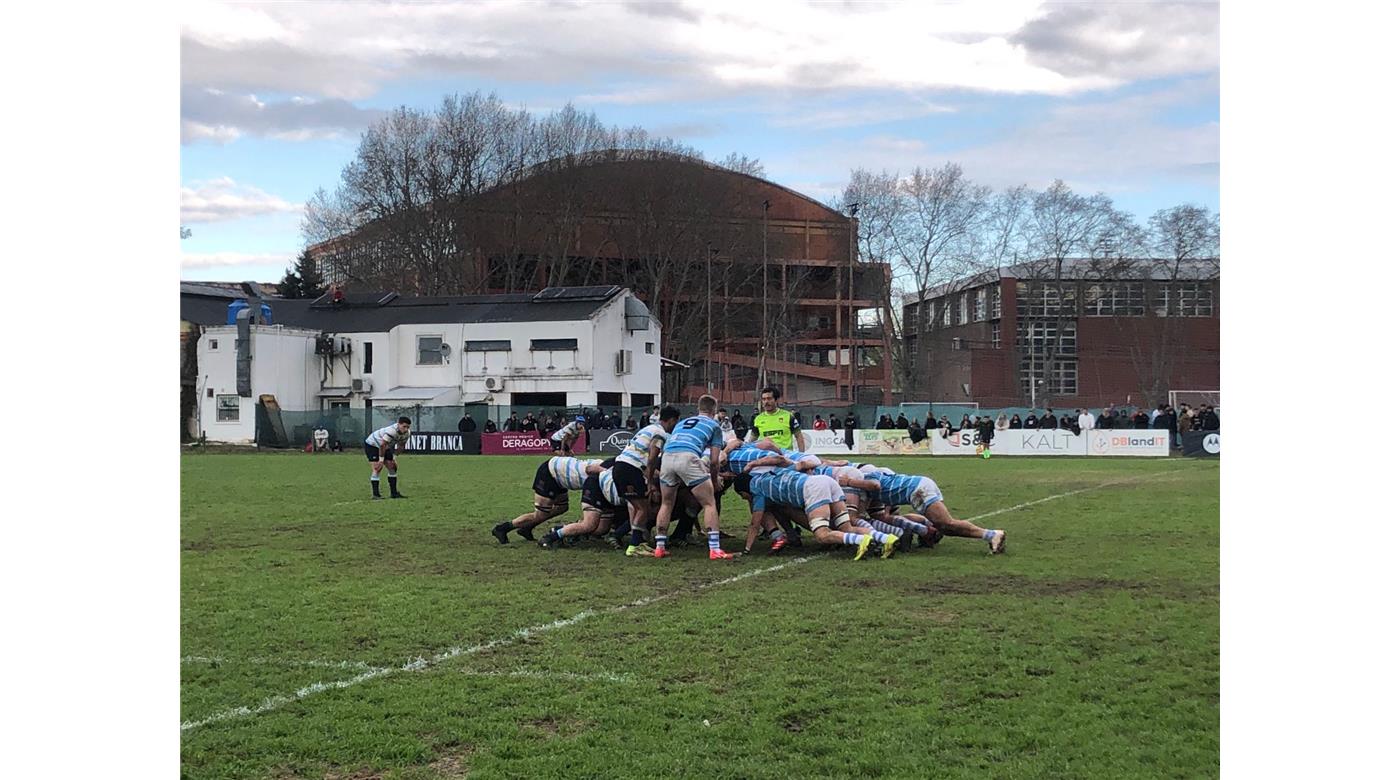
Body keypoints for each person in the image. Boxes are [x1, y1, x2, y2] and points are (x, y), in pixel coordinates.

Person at [733, 471, 896, 560]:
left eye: (743, 496)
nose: (746, 499)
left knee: (822, 535)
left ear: (744, 491)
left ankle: (861, 541)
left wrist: (747, 549)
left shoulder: (757, 490)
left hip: (812, 489)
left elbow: (755, 523)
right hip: (826, 481)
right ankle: (885, 538)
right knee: (847, 527)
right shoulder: (767, 474)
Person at [654, 394, 729, 559]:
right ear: (714, 410)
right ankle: (715, 549)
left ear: (698, 409)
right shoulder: (714, 425)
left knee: (666, 503)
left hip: (667, 457)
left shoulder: (681, 423)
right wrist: (715, 479)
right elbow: (715, 460)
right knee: (709, 503)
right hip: (687, 457)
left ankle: (659, 546)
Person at [870, 467, 1006, 553]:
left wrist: (849, 482)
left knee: (947, 524)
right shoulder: (873, 471)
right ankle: (931, 529)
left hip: (917, 490)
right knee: (942, 524)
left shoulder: (862, 477)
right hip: (920, 484)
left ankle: (992, 535)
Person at [610, 406, 681, 557]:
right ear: (673, 420)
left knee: (640, 507)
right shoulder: (660, 433)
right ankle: (634, 545)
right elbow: (652, 458)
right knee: (643, 509)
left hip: (620, 466)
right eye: (676, 422)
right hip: (630, 469)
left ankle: (639, 543)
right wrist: (650, 483)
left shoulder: (649, 428)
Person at [491, 455, 607, 544]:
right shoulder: (604, 468)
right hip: (550, 474)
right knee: (541, 514)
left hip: (560, 477)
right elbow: (589, 469)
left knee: (562, 507)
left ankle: (527, 528)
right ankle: (502, 528)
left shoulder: (607, 464)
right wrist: (603, 471)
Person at [363, 417, 411, 499]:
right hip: (372, 445)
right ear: (398, 424)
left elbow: (401, 446)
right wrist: (381, 460)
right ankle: (376, 495)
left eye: (408, 427)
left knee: (392, 467)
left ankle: (394, 493)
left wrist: (394, 458)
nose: (406, 429)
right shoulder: (391, 431)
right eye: (404, 426)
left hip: (385, 446)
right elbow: (382, 445)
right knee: (377, 468)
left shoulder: (407, 433)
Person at [746, 386, 806, 451]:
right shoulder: (758, 419)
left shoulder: (788, 416)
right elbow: (752, 440)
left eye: (769, 399)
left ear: (776, 400)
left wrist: (801, 455)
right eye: (764, 399)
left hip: (785, 456)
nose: (766, 402)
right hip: (766, 456)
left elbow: (799, 437)